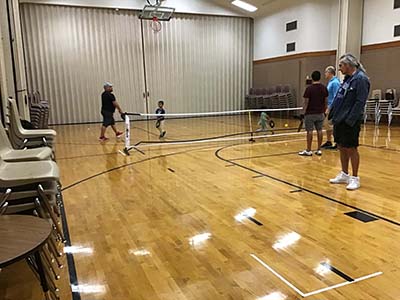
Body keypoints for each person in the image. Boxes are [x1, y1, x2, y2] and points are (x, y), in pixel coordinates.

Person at [328, 53, 370, 190]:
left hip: (350, 121)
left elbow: (360, 102)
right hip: (339, 119)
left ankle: (355, 178)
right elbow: (339, 97)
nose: (339, 69)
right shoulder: (346, 79)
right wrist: (332, 112)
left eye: (341, 66)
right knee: (341, 146)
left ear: (348, 65)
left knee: (351, 148)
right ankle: (344, 174)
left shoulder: (361, 79)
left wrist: (350, 119)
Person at [299, 71, 328, 156]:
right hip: (320, 113)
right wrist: (324, 110)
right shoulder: (324, 88)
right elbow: (326, 101)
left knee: (309, 131)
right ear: (320, 77)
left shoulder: (309, 89)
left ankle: (308, 150)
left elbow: (306, 102)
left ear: (312, 78)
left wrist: (303, 112)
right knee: (320, 130)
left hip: (310, 113)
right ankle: (319, 149)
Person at [321, 66, 341, 149]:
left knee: (332, 125)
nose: (325, 74)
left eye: (326, 72)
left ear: (330, 73)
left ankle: (337, 142)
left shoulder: (335, 83)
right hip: (328, 106)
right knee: (326, 124)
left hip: (332, 107)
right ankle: (329, 141)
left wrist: (330, 107)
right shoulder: (330, 82)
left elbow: (336, 96)